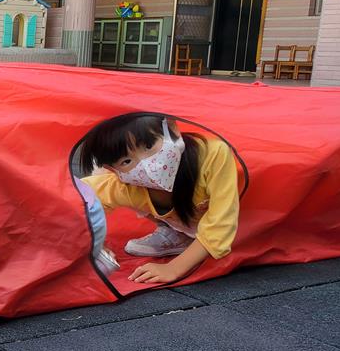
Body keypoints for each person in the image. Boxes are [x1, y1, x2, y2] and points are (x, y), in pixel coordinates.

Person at [78, 114, 240, 284]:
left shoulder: (213, 155)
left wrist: (174, 268)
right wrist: (97, 244)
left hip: (239, 218)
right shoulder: (126, 186)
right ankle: (179, 233)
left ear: (172, 129)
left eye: (149, 146)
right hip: (189, 220)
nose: (148, 166)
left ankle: (185, 234)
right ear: (113, 170)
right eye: (126, 161)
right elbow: (79, 195)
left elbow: (222, 224)